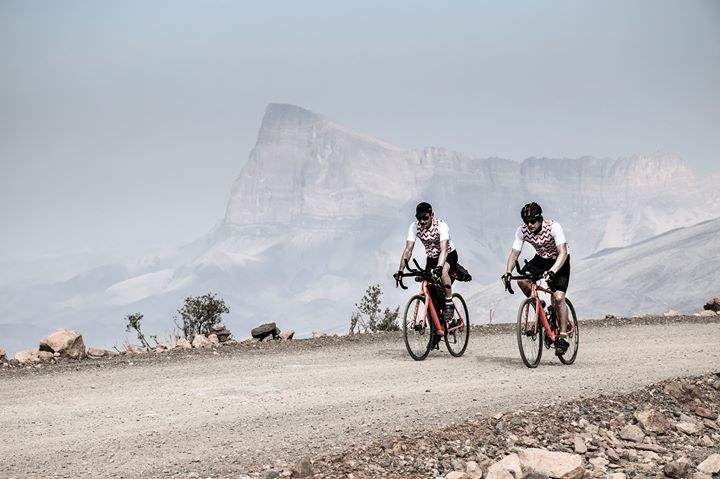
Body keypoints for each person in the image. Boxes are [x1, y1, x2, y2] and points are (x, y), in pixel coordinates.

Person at [501, 202, 571, 355]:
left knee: (559, 297)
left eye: (533, 221)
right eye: (526, 221)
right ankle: (539, 307)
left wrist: (552, 271)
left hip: (559, 260)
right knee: (522, 280)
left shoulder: (553, 227)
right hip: (541, 259)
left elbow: (563, 252)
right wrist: (508, 272)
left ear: (540, 219)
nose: (529, 224)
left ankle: (563, 336)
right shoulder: (522, 230)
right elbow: (514, 254)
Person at [394, 202, 459, 325]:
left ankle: (449, 302)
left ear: (432, 215)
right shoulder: (414, 227)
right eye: (419, 218)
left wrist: (439, 267)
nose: (422, 221)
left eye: (425, 218)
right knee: (426, 290)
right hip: (432, 258)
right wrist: (401, 270)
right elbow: (408, 249)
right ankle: (435, 330)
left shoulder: (441, 225)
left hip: (448, 254)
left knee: (443, 272)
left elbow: (444, 249)